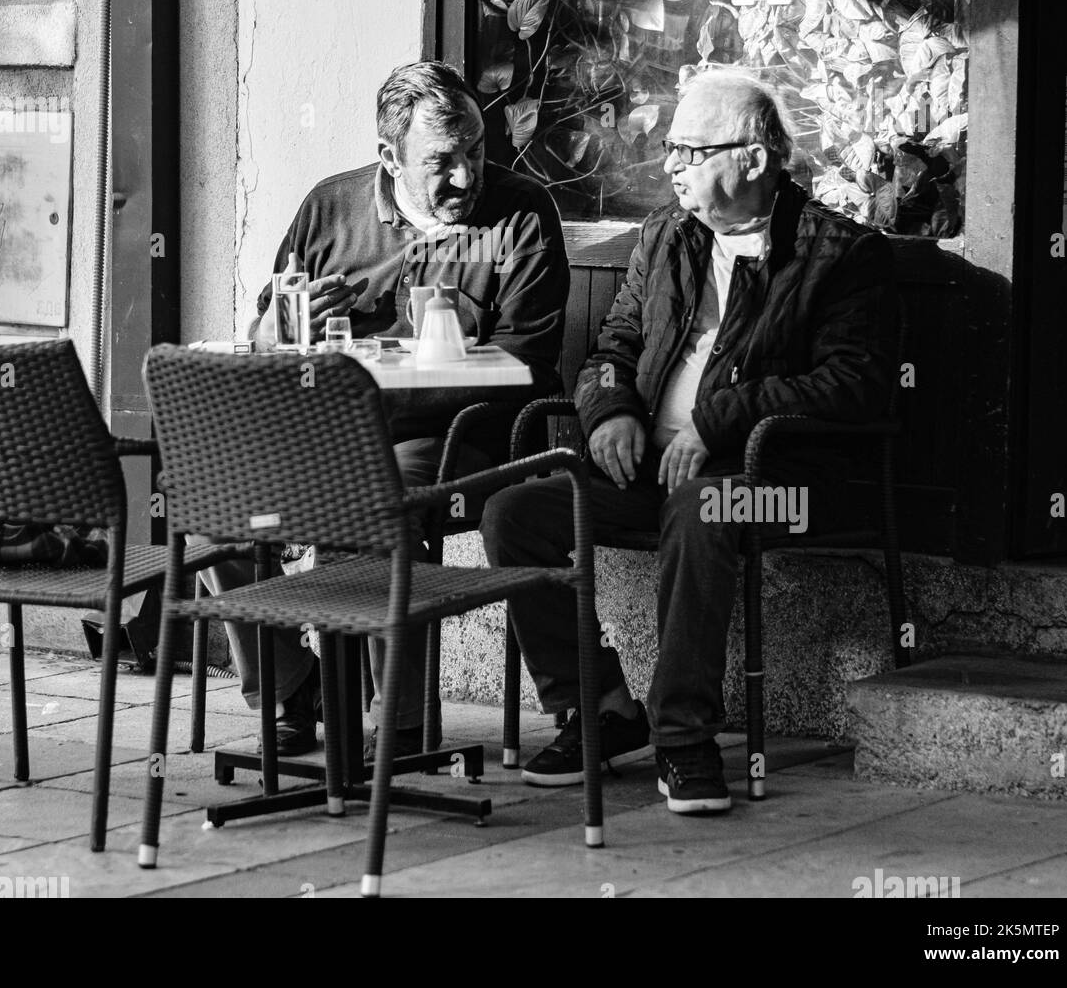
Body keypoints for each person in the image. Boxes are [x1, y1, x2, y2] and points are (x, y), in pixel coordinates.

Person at [482, 70, 896, 812]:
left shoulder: (837, 255)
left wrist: (721, 418)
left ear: (754, 160)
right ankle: (603, 705)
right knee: (513, 514)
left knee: (705, 508)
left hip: (780, 488)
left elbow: (855, 384)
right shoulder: (666, 238)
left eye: (689, 150)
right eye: (669, 148)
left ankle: (684, 738)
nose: (669, 165)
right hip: (652, 476)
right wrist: (610, 411)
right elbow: (613, 344)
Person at [201, 61, 568, 758]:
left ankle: (395, 721)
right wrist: (288, 321)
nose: (465, 177)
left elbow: (529, 365)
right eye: (441, 162)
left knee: (371, 489)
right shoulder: (330, 207)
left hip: (455, 434)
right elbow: (263, 328)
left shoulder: (521, 213)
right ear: (388, 156)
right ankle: (291, 687)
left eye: (476, 154)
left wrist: (379, 395)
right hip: (324, 427)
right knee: (217, 491)